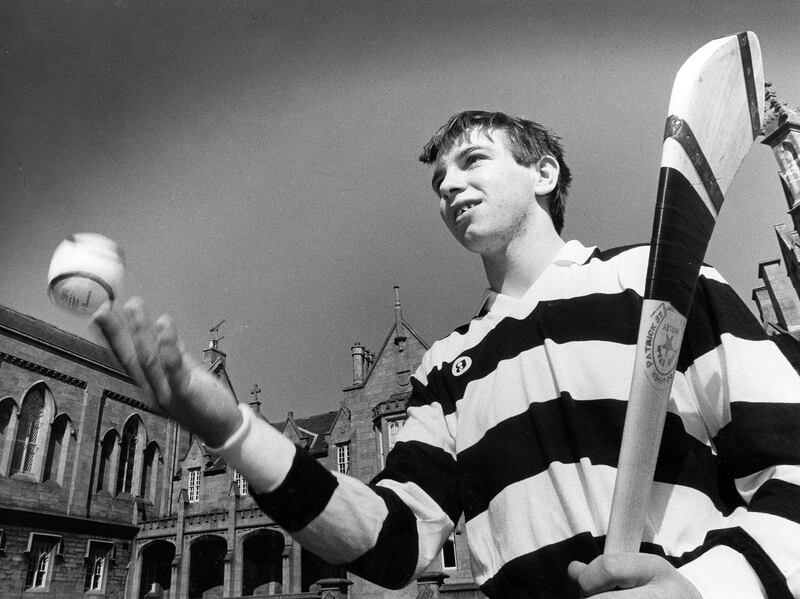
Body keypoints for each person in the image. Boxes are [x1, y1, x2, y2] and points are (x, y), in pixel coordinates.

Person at [94, 111, 800, 598]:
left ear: (545, 173)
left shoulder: (662, 282)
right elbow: (393, 540)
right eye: (438, 183)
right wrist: (235, 433)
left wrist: (713, 585)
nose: (449, 187)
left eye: (473, 161)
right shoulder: (445, 369)